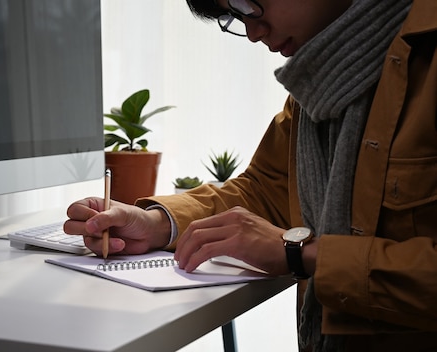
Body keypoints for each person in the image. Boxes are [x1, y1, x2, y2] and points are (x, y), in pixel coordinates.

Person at [64, 0, 437, 351]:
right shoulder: (323, 76)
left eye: (248, 4)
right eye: (237, 17)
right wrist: (157, 223)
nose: (255, 32)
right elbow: (265, 188)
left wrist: (302, 254)